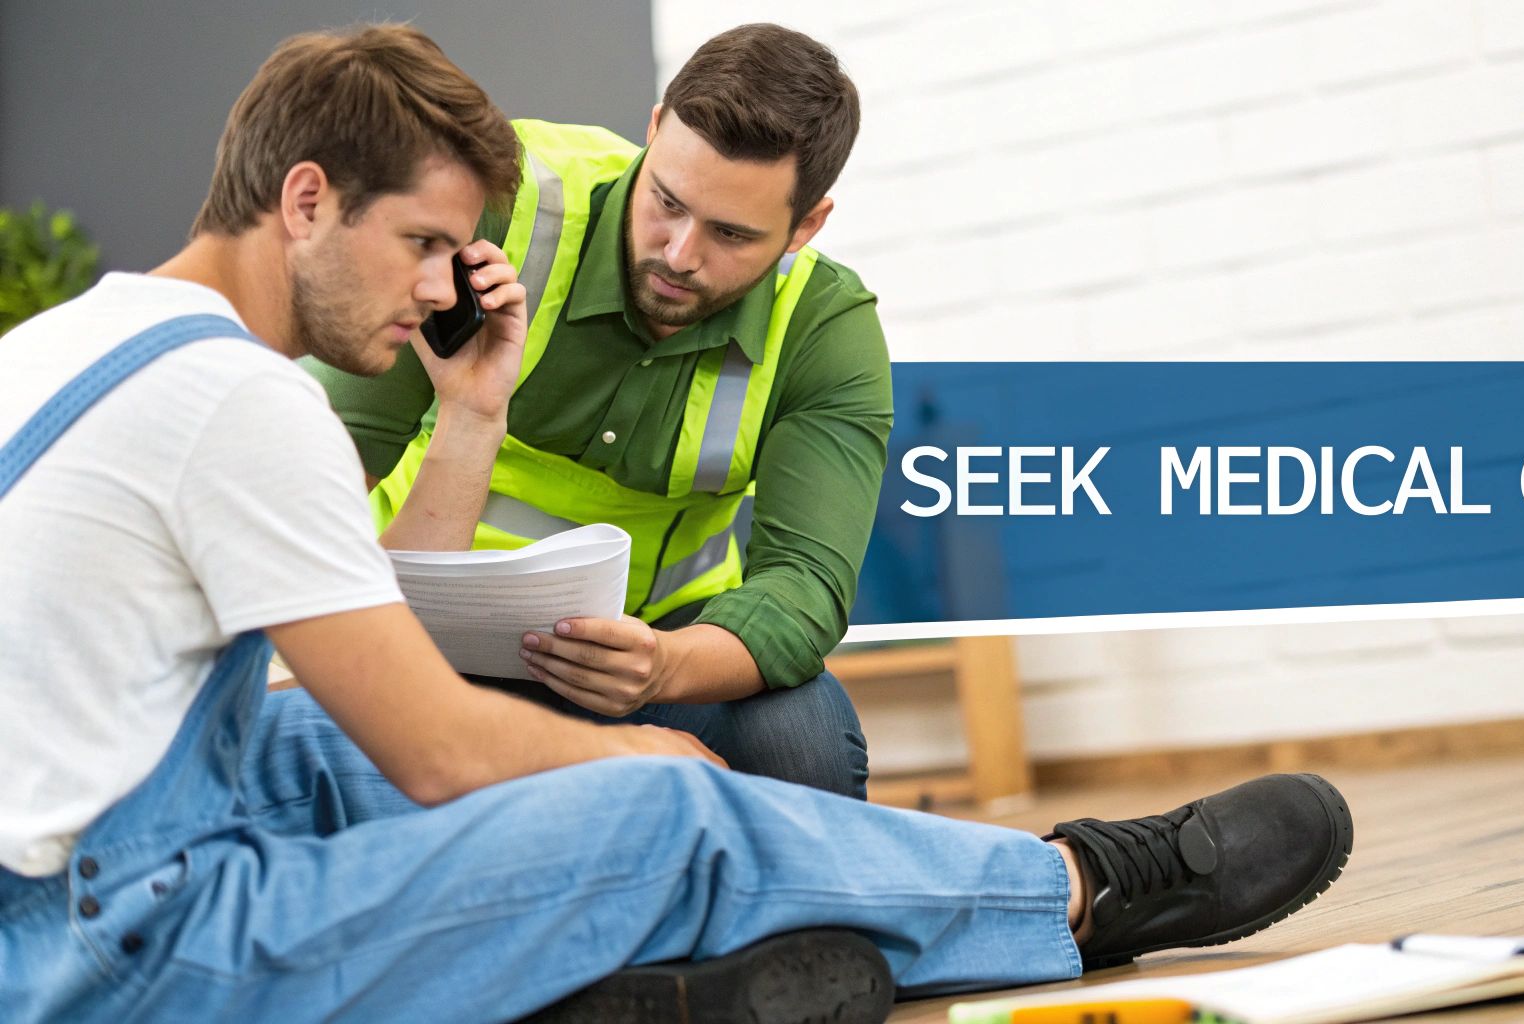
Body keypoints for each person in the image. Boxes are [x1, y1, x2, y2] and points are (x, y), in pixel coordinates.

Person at [0, 24, 1354, 1024]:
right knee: (655, 804)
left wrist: (469, 413)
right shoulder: (242, 402)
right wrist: (651, 755)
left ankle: (636, 998)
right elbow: (431, 745)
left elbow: (375, 654)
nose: (433, 290)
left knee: (302, 748)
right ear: (306, 200)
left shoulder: (77, 341)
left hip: (47, 908)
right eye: (419, 243)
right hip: (122, 946)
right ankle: (1078, 890)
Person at [308, 23, 889, 798]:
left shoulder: (822, 325)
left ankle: (801, 924)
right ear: (652, 134)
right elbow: (323, 463)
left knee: (806, 742)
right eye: (667, 202)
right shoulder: (498, 202)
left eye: (729, 234)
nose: (680, 254)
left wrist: (663, 665)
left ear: (806, 225)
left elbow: (806, 585)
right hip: (433, 638)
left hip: (662, 647)